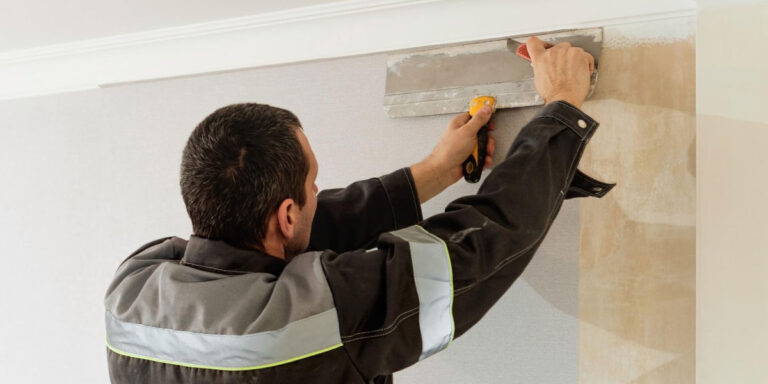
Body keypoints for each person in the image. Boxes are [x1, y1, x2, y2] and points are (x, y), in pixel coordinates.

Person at [104, 37, 613, 383]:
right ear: (284, 215)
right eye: (313, 182)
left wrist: (434, 171)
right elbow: (478, 247)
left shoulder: (133, 289)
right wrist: (563, 106)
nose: (319, 191)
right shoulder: (308, 317)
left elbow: (303, 230)